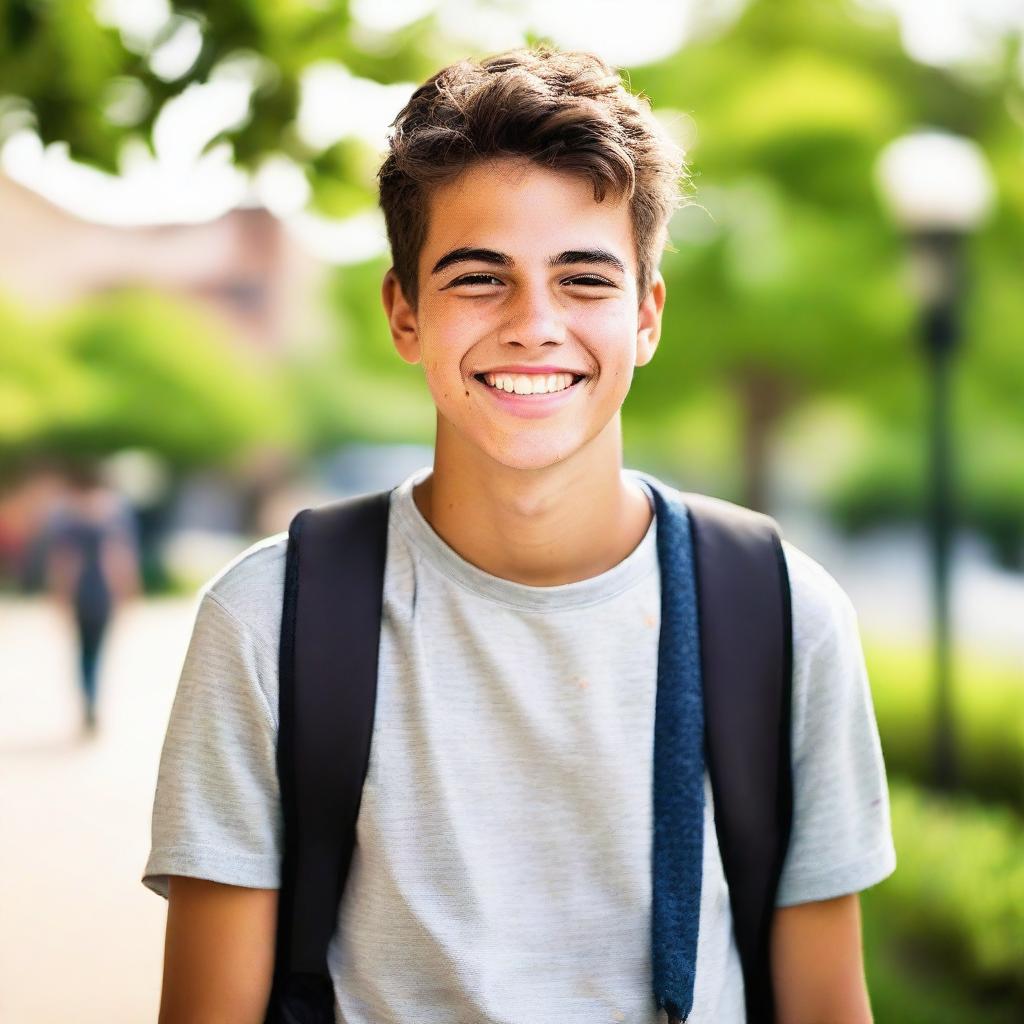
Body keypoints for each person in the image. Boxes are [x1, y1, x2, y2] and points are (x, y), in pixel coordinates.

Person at [144, 45, 896, 1023]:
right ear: (404, 314)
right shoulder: (270, 620)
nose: (534, 324)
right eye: (479, 278)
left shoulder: (783, 615)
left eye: (583, 278)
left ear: (647, 315)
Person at [44, 462, 140, 733]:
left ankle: (88, 700)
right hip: (103, 591)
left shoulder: (66, 516)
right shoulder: (115, 512)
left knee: (82, 650)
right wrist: (127, 591)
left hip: (80, 592)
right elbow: (119, 557)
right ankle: (93, 700)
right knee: (97, 650)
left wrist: (59, 595)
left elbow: (64, 562)